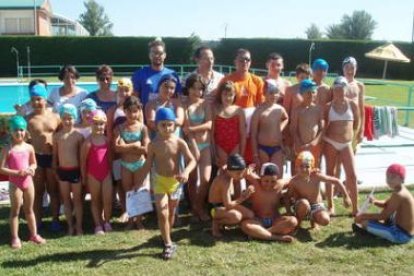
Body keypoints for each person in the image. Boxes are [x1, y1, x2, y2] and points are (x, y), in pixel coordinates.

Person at [136, 107, 196, 260]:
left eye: (170, 124)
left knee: (171, 213)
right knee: (162, 213)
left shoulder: (179, 142)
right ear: (156, 126)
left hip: (175, 182)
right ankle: (168, 243)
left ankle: (167, 235)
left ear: (175, 125)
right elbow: (148, 164)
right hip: (159, 181)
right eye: (163, 125)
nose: (167, 128)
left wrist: (186, 172)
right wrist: (138, 182)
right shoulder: (153, 145)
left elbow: (192, 160)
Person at [0, 116, 46, 249]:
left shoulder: (29, 147)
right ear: (10, 131)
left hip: (28, 182)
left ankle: (34, 234)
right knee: (15, 211)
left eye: (21, 129)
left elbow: (34, 163)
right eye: (15, 130)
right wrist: (16, 173)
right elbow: (1, 168)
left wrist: (31, 169)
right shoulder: (7, 149)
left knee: (30, 210)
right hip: (15, 183)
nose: (18, 132)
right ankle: (15, 237)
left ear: (25, 131)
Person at [26, 83, 62, 231]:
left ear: (45, 99)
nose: (36, 102)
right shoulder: (28, 119)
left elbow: (61, 136)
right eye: (33, 99)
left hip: (52, 158)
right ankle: (38, 221)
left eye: (39, 99)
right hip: (36, 158)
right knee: (38, 192)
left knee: (54, 190)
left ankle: (55, 220)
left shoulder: (56, 117)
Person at [219, 48, 264, 165]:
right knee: (232, 163)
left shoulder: (257, 81)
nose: (244, 62)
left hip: (250, 128)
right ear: (235, 62)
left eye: (247, 59)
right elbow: (219, 101)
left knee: (248, 161)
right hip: (232, 127)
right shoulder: (227, 80)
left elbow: (262, 106)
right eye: (241, 60)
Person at [323, 76, 360, 216]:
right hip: (330, 142)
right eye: (336, 89)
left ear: (346, 89)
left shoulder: (352, 104)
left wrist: (353, 138)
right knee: (329, 174)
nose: (339, 92)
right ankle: (330, 206)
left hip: (346, 143)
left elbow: (356, 123)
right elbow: (323, 126)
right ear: (333, 90)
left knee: (352, 176)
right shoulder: (328, 107)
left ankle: (355, 208)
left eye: (342, 89)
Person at [286, 151, 351, 229]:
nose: (304, 169)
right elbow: (287, 197)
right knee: (304, 203)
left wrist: (346, 196)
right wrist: (289, 211)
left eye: (307, 166)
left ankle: (314, 221)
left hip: (316, 206)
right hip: (302, 205)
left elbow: (336, 181)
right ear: (296, 167)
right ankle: (298, 223)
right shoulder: (294, 181)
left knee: (325, 220)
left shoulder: (316, 176)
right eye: (301, 166)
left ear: (312, 167)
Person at [113, 96, 150, 229]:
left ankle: (139, 220)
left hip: (140, 164)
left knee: (139, 191)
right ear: (124, 111)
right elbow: (116, 148)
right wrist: (135, 145)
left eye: (135, 111)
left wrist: (126, 147)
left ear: (140, 111)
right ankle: (131, 219)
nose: (132, 114)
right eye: (129, 111)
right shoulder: (119, 128)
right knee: (128, 191)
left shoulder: (143, 128)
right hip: (126, 165)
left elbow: (146, 149)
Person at [354, 164, 414, 244]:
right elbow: (387, 203)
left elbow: (383, 216)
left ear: (401, 178)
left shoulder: (399, 194)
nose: (388, 180)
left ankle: (371, 231)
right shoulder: (400, 190)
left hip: (401, 235)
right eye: (387, 176)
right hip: (404, 231)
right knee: (386, 211)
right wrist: (374, 201)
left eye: (392, 177)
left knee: (365, 222)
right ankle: (376, 228)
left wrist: (363, 216)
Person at [240, 163, 297, 242]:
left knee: (293, 221)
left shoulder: (280, 184)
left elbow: (295, 178)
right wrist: (249, 169)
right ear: (261, 177)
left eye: (273, 181)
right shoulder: (256, 181)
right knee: (245, 225)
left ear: (277, 179)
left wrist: (312, 172)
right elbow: (241, 172)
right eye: (266, 181)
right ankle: (277, 237)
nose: (269, 184)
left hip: (275, 220)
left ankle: (261, 234)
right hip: (258, 220)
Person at [183, 74, 213, 221]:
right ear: (188, 88)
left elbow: (209, 124)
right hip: (190, 145)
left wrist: (194, 129)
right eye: (194, 88)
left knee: (206, 179)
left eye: (200, 89)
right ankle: (196, 210)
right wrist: (193, 141)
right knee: (193, 179)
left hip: (205, 145)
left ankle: (198, 206)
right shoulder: (184, 105)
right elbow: (185, 129)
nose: (197, 92)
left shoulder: (205, 104)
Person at [53, 104, 84, 236]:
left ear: (75, 118)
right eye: (65, 118)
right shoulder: (57, 136)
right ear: (61, 118)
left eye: (70, 118)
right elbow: (55, 156)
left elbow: (82, 158)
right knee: (66, 200)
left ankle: (79, 226)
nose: (67, 121)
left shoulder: (78, 136)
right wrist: (55, 171)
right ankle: (70, 226)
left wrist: (83, 174)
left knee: (77, 200)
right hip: (63, 171)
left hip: (75, 171)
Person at [80, 109, 113, 235]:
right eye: (96, 124)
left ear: (104, 125)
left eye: (101, 124)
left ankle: (107, 222)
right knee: (95, 200)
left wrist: (110, 173)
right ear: (90, 124)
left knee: (107, 200)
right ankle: (98, 224)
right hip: (92, 175)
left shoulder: (107, 140)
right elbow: (83, 162)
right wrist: (84, 177)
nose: (99, 127)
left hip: (106, 174)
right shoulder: (87, 143)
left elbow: (109, 158)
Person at [107, 78, 134, 223]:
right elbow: (110, 133)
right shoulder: (113, 110)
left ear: (131, 91)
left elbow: (141, 129)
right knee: (120, 182)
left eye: (127, 90)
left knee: (134, 182)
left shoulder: (137, 109)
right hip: (118, 152)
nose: (124, 93)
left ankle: (135, 210)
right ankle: (125, 210)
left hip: (133, 152)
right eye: (121, 90)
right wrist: (112, 152)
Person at [208, 154, 255, 238]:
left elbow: (240, 171)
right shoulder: (224, 181)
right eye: (238, 173)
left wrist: (250, 182)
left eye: (242, 172)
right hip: (214, 209)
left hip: (223, 205)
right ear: (229, 171)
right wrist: (243, 197)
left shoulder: (229, 171)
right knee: (236, 216)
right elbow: (228, 205)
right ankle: (216, 223)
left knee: (250, 215)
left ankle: (229, 223)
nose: (240, 176)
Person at [250, 79, 288, 172]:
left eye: (276, 93)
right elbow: (253, 134)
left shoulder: (280, 109)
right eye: (270, 93)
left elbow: (286, 118)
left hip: (277, 148)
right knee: (265, 176)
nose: (274, 95)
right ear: (264, 93)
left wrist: (280, 128)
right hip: (262, 149)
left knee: (277, 176)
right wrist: (255, 155)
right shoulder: (259, 111)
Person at [132, 38, 182, 107]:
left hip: (167, 116)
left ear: (165, 55)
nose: (157, 55)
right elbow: (134, 100)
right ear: (149, 55)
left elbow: (178, 98)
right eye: (154, 53)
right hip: (146, 116)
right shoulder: (139, 74)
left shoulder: (172, 74)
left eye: (160, 53)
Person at [283, 63, 312, 171]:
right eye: (301, 77)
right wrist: (287, 134)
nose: (304, 80)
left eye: (307, 77)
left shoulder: (313, 90)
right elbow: (286, 113)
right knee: (295, 160)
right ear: (297, 77)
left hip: (308, 130)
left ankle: (307, 186)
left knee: (308, 159)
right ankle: (293, 186)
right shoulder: (291, 90)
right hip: (294, 131)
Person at [290, 79, 325, 168]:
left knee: (315, 170)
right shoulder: (297, 110)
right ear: (302, 94)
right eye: (308, 93)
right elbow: (293, 129)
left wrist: (315, 142)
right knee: (300, 169)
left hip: (314, 145)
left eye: (313, 92)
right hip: (301, 145)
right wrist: (299, 143)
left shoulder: (318, 109)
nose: (311, 95)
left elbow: (322, 129)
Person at [212, 81, 246, 168]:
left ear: (235, 95)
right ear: (220, 95)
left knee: (235, 170)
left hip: (235, 145)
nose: (228, 97)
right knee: (224, 172)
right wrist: (214, 153)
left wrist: (241, 153)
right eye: (225, 94)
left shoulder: (239, 110)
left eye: (230, 95)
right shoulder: (214, 110)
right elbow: (211, 134)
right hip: (220, 146)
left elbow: (243, 133)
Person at [342, 57, 365, 152]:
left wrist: (362, 130)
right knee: (340, 154)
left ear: (356, 69)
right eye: (347, 67)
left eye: (352, 68)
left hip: (355, 124)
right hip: (342, 123)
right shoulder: (338, 84)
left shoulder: (359, 85)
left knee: (352, 153)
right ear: (343, 69)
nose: (349, 70)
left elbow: (361, 109)